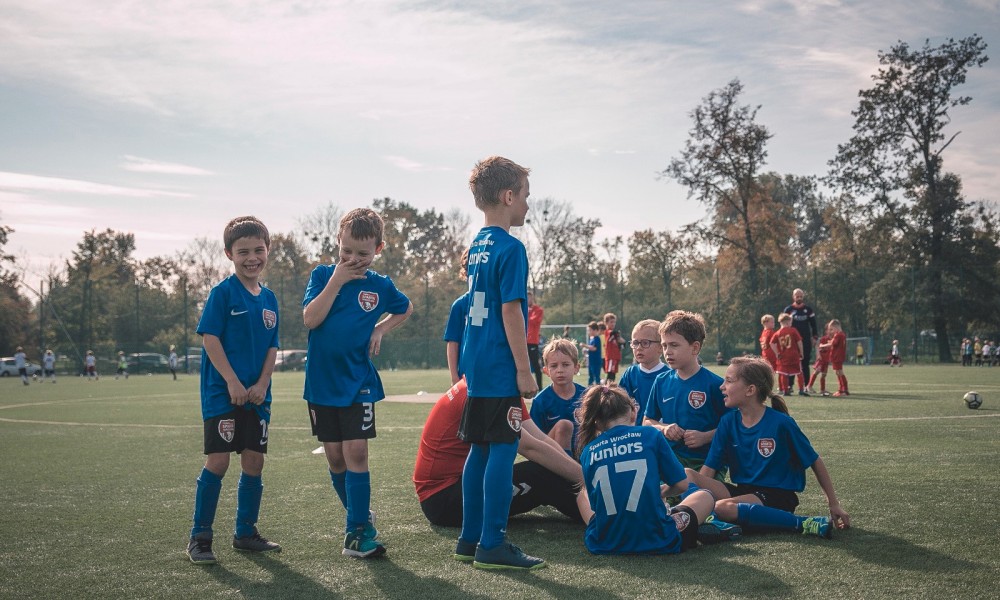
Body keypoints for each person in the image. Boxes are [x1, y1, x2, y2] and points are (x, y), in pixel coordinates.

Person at [303, 208, 413, 559]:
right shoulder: (322, 276)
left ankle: (356, 534)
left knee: (356, 452)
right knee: (335, 458)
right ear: (338, 244)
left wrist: (381, 328)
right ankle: (360, 515)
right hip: (321, 383)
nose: (353, 259)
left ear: (378, 249)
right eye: (346, 252)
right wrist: (337, 280)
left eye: (362, 254)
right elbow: (310, 319)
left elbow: (406, 308)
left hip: (358, 381)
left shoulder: (380, 286)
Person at [455, 156, 544, 570]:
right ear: (508, 196)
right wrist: (524, 368)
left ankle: (470, 538)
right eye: (525, 196)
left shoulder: (476, 247)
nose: (527, 204)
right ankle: (492, 543)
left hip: (477, 362)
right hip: (499, 363)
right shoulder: (511, 247)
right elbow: (511, 312)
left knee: (481, 449)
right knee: (504, 448)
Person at [186, 216, 281, 566]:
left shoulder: (270, 298)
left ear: (267, 250)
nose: (252, 257)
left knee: (254, 462)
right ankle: (200, 537)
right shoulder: (222, 294)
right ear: (229, 253)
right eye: (243, 252)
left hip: (257, 396)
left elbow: (273, 347)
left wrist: (261, 383)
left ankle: (245, 533)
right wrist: (232, 382)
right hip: (222, 394)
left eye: (258, 249)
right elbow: (210, 338)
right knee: (219, 461)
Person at [686, 356, 851, 539]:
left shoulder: (781, 423)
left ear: (750, 390)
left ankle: (803, 522)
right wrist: (698, 499)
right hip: (744, 492)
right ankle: (692, 518)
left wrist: (833, 503)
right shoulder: (727, 422)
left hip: (776, 496)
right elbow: (709, 469)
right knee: (687, 475)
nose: (722, 386)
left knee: (722, 507)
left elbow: (815, 462)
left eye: (729, 381)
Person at [575, 385, 737, 555]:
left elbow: (597, 504)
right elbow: (682, 485)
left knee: (581, 494)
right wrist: (661, 492)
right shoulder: (650, 435)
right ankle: (695, 521)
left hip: (605, 543)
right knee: (704, 496)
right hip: (658, 540)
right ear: (633, 412)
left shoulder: (589, 450)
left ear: (597, 422)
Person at [414, 378, 583, 528]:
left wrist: (579, 472)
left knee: (550, 470)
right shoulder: (486, 393)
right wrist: (585, 479)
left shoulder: (491, 384)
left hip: (457, 488)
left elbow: (542, 439)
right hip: (443, 501)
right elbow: (531, 449)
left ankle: (600, 506)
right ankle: (601, 516)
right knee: (541, 476)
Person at [643, 310, 728, 475]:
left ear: (695, 348)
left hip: (706, 462)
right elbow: (647, 421)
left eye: (674, 345)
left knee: (696, 496)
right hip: (670, 459)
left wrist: (705, 437)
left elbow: (732, 426)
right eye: (664, 345)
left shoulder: (715, 385)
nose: (667, 351)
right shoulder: (661, 381)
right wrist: (663, 428)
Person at [528, 339, 586, 453]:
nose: (560, 370)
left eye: (565, 365)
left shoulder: (587, 396)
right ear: (546, 371)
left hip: (584, 454)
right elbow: (534, 441)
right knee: (563, 426)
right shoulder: (540, 402)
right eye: (554, 366)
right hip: (554, 457)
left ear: (576, 368)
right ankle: (567, 470)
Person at [619, 319, 669, 426]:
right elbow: (620, 408)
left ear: (661, 347)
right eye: (635, 343)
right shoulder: (630, 374)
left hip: (660, 435)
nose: (639, 348)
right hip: (634, 435)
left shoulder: (670, 376)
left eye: (645, 343)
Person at [783, 289, 818, 386]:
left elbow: (813, 324)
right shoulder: (788, 310)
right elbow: (783, 324)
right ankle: (789, 385)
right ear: (793, 296)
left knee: (805, 362)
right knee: (791, 362)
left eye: (800, 296)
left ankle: (806, 385)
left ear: (803, 297)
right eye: (797, 296)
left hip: (805, 340)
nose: (799, 298)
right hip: (791, 341)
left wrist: (815, 336)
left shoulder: (808, 310)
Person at [770, 313, 806, 396]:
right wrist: (801, 352)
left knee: (783, 373)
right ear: (788, 322)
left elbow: (771, 343)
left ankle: (785, 391)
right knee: (799, 372)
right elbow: (799, 342)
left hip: (783, 356)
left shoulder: (777, 333)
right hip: (794, 355)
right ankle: (801, 389)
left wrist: (777, 353)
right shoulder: (793, 330)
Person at [806, 324, 832, 396]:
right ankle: (809, 386)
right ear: (826, 331)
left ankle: (822, 390)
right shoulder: (824, 338)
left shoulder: (833, 339)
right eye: (829, 329)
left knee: (824, 375)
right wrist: (818, 355)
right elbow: (817, 345)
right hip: (821, 359)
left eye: (831, 329)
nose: (830, 331)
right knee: (817, 371)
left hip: (826, 360)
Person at [527, 291, 544, 390]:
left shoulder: (538, 310)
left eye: (529, 298)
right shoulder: (522, 308)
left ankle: (540, 388)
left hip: (532, 341)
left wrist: (527, 312)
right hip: (522, 342)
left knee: (536, 366)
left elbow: (534, 321)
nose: (528, 300)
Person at [827, 320, 849, 396]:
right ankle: (842, 389)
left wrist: (823, 345)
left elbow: (833, 343)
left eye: (832, 329)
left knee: (839, 372)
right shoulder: (842, 334)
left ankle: (843, 390)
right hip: (838, 356)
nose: (831, 331)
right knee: (838, 372)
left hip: (837, 356)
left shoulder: (838, 335)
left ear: (836, 327)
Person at [603, 313, 624, 384]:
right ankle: (606, 389)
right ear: (606, 323)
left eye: (614, 322)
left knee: (613, 375)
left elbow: (622, 341)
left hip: (615, 357)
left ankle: (610, 389)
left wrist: (622, 343)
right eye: (611, 322)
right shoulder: (608, 332)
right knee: (610, 374)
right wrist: (617, 335)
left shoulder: (615, 334)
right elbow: (612, 333)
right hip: (611, 357)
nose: (613, 324)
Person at [583, 321, 603, 385]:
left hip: (596, 362)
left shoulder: (597, 339)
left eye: (590, 330)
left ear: (595, 330)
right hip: (591, 361)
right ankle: (589, 391)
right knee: (590, 377)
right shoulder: (591, 339)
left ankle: (598, 391)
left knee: (596, 377)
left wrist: (584, 345)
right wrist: (586, 350)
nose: (589, 332)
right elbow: (590, 349)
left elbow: (594, 348)